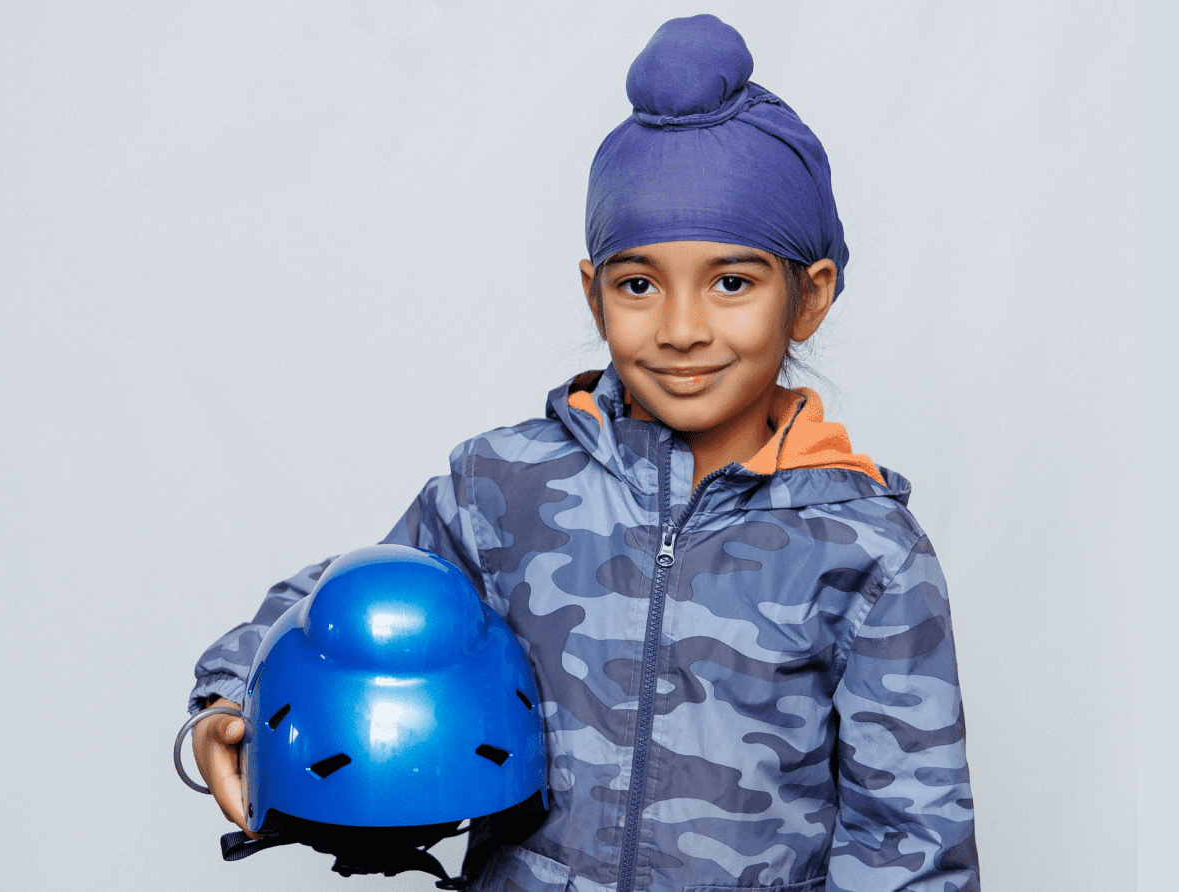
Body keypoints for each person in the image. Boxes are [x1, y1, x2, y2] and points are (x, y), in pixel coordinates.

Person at [188, 14, 979, 892]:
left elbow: (908, 844)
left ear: (810, 297)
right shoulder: (503, 488)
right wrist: (229, 701)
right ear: (595, 294)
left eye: (732, 283)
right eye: (638, 284)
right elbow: (347, 607)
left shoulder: (866, 549)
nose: (682, 329)